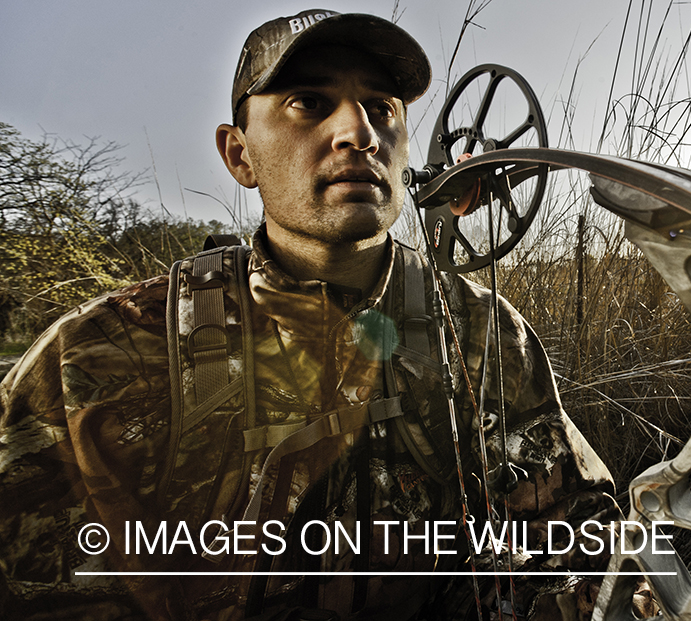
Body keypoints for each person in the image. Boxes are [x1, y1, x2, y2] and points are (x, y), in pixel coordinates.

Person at [0, 10, 622, 620]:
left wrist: (615, 588)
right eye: (308, 102)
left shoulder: (485, 330)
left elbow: (577, 537)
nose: (361, 133)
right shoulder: (96, 353)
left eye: (382, 109)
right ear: (239, 155)